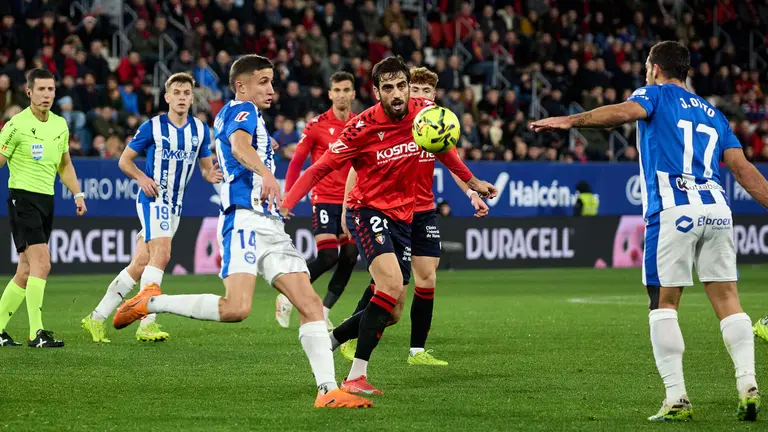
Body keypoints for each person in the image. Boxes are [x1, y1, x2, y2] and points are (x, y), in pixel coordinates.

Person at [112, 54, 372, 409]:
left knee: (310, 304)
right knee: (237, 308)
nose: (270, 88)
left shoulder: (246, 117)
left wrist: (264, 154)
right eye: (263, 81)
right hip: (244, 219)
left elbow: (240, 146)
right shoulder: (242, 110)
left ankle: (327, 391)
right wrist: (266, 171)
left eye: (271, 81)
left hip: (269, 224)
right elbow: (238, 146)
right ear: (241, 85)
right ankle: (151, 301)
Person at [530, 41, 763, 422]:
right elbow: (744, 171)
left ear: (654, 68)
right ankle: (748, 385)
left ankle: (676, 398)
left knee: (663, 303)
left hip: (674, 210)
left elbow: (624, 113)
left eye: (645, 66)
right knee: (728, 300)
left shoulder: (653, 94)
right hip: (718, 210)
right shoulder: (713, 114)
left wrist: (572, 120)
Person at [279, 56, 496, 395]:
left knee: (392, 310)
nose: (397, 94)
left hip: (404, 217)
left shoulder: (423, 114)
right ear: (377, 92)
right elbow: (317, 169)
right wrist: (286, 202)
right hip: (367, 212)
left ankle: (331, 339)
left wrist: (472, 182)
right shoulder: (361, 128)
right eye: (388, 88)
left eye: (401, 86)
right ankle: (355, 377)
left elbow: (443, 150)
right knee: (392, 285)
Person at [338, 67, 490, 366]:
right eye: (415, 91)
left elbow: (453, 163)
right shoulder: (397, 125)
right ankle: (349, 335)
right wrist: (346, 207)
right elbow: (358, 167)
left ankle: (417, 351)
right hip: (392, 212)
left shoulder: (435, 128)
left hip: (423, 210)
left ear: (434, 96)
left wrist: (472, 192)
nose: (419, 97)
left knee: (428, 277)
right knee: (392, 296)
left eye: (425, 92)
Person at [82, 73, 222, 343]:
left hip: (175, 205)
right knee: (163, 253)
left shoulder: (200, 130)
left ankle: (95, 318)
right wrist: (142, 178)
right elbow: (125, 161)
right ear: (167, 97)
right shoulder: (152, 127)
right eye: (176, 93)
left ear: (192, 98)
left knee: (140, 264)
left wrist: (211, 175)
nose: (181, 98)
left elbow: (205, 169)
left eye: (186, 93)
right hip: (153, 199)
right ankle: (147, 321)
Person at [0, 68, 87, 348]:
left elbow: (65, 165)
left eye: (51, 89)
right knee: (42, 263)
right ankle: (36, 333)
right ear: (29, 91)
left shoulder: (60, 124)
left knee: (25, 270)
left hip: (46, 200)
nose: (47, 94)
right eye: (41, 90)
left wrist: (77, 193)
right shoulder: (15, 125)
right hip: (22, 198)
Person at [276, 71, 358, 330]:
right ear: (330, 94)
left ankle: (322, 312)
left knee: (350, 256)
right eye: (338, 90)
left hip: (350, 201)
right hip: (323, 198)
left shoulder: (360, 124)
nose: (342, 95)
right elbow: (297, 162)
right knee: (328, 256)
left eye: (347, 90)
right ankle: (288, 295)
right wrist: (289, 198)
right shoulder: (316, 125)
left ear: (353, 94)